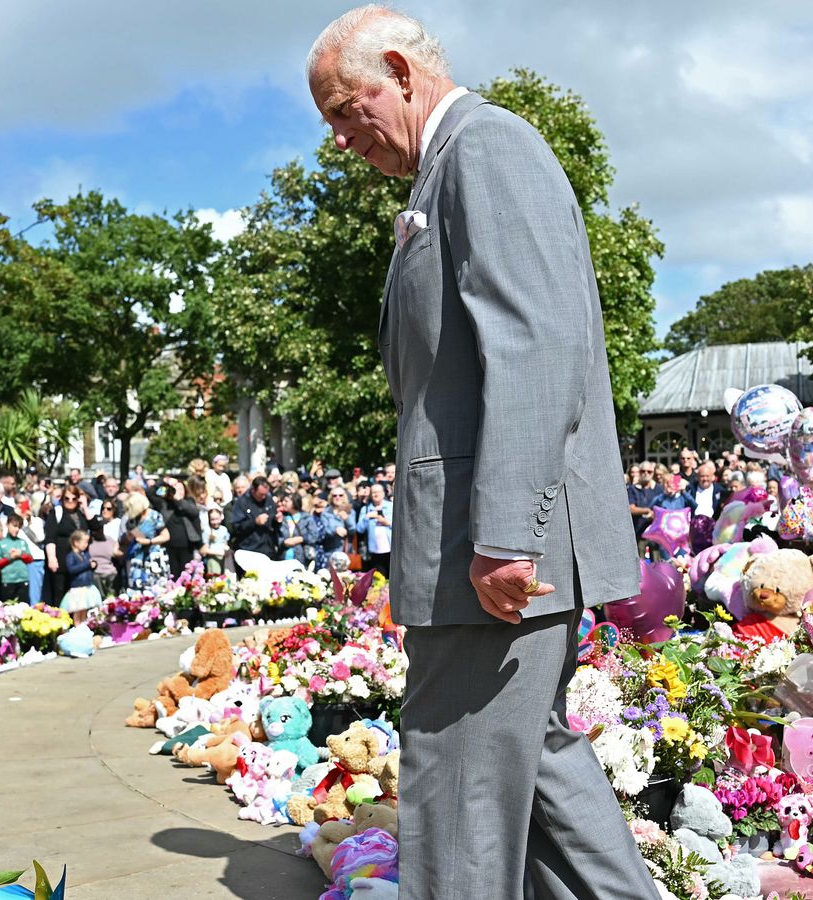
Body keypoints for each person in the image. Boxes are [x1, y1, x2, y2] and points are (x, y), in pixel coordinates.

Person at [307, 8, 659, 899]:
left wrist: (507, 535)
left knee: (459, 779)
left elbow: (536, 345)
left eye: (348, 110)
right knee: (526, 765)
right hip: (480, 542)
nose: (343, 138)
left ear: (399, 68)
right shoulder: (449, 168)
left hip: (489, 549)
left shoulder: (483, 150)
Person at [122, 492, 170, 589]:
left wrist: (150, 542)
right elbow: (136, 537)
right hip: (137, 558)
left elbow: (166, 536)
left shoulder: (154, 516)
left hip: (153, 557)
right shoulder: (132, 520)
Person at [226, 475, 279, 561]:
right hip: (250, 549)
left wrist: (277, 520)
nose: (264, 497)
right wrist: (255, 522)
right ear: (253, 490)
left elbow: (273, 521)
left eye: (265, 494)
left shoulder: (268, 499)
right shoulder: (241, 503)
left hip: (268, 548)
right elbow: (236, 527)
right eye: (261, 494)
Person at [60, 529, 103, 622]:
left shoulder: (85, 554)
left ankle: (84, 626)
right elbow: (72, 569)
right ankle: (77, 626)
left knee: (84, 609)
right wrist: (87, 564)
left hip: (87, 586)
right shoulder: (71, 556)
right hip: (78, 588)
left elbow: (89, 564)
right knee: (77, 610)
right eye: (84, 542)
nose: (86, 545)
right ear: (76, 542)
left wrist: (93, 565)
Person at [0, 512, 35, 603]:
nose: (16, 529)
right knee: (8, 607)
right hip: (8, 580)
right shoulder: (2, 543)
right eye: (14, 526)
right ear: (8, 525)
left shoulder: (22, 542)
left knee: (24, 607)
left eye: (18, 527)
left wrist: (21, 555)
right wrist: (9, 557)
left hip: (23, 579)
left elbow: (30, 559)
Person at [355, 482, 393, 577]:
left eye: (378, 492)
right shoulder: (366, 509)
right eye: (373, 492)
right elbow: (359, 529)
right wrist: (366, 518)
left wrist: (386, 522)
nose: (376, 494)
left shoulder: (391, 506)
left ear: (384, 493)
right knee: (378, 578)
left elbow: (399, 526)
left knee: (392, 576)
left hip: (391, 548)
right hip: (374, 550)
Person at [201, 506, 230, 576]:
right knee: (215, 580)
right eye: (212, 519)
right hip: (213, 560)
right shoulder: (207, 531)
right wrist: (218, 553)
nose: (215, 522)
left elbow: (225, 544)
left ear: (221, 517)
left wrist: (228, 550)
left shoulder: (224, 529)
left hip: (224, 560)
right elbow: (203, 550)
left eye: (217, 519)